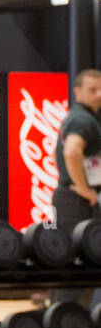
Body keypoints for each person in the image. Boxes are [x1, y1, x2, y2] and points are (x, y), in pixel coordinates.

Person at [51, 69, 101, 304]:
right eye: (93, 90)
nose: (99, 95)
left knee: (70, 264)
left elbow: (58, 153)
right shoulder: (83, 119)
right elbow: (71, 151)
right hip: (77, 202)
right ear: (77, 91)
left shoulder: (77, 116)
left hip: (68, 199)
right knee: (78, 265)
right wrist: (83, 188)